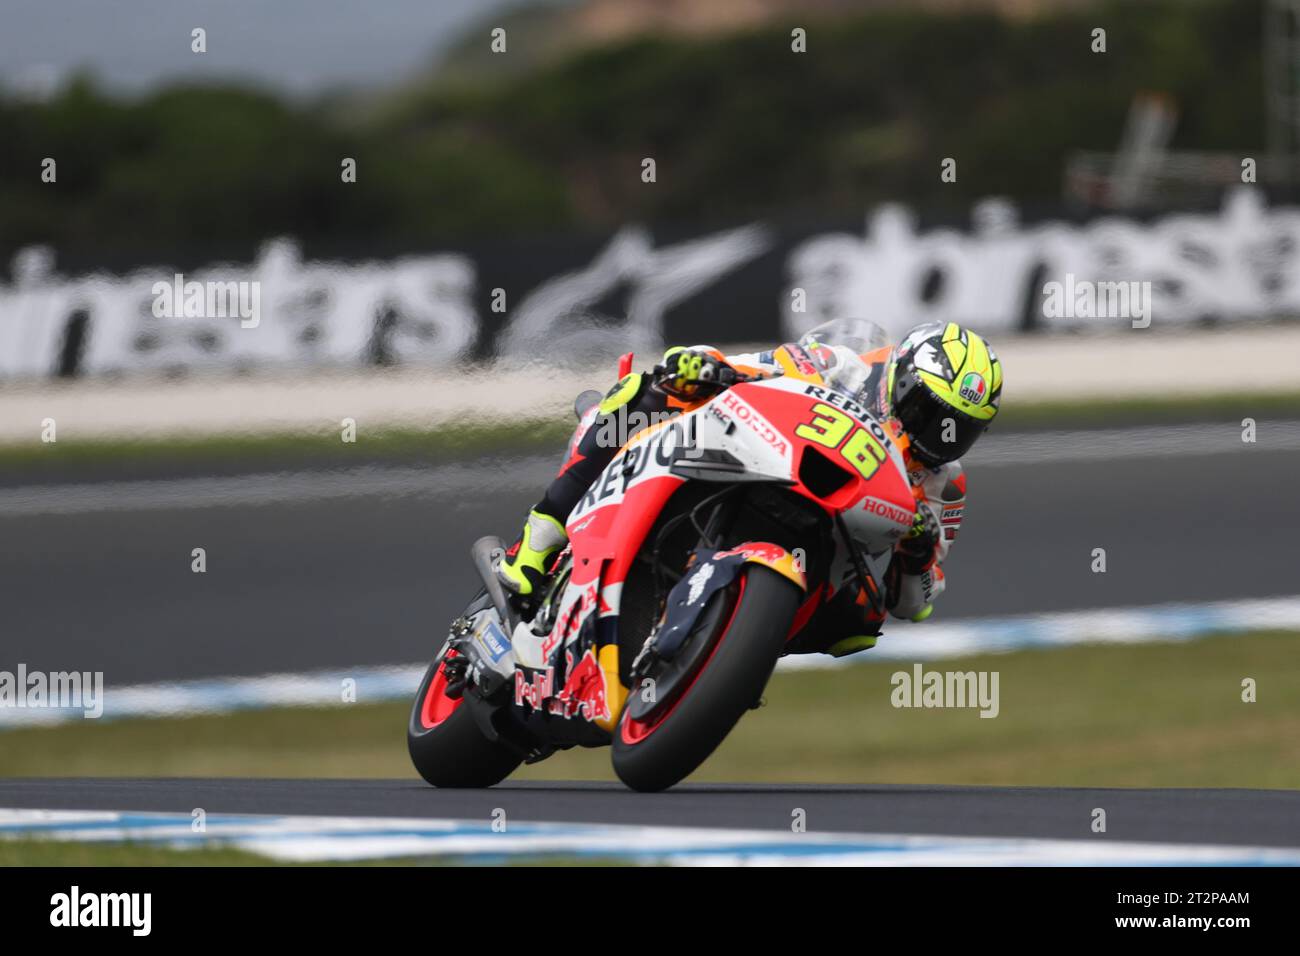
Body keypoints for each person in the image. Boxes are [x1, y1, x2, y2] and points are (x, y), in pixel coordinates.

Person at [497, 319, 1002, 649]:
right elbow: (759, 366)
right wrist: (708, 368)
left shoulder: (943, 485)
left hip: (820, 558)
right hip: (757, 461)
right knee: (649, 390)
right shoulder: (845, 368)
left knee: (861, 625)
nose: (941, 436)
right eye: (930, 414)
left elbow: (916, 603)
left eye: (960, 428)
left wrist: (917, 548)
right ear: (903, 381)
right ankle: (540, 534)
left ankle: (728, 647)